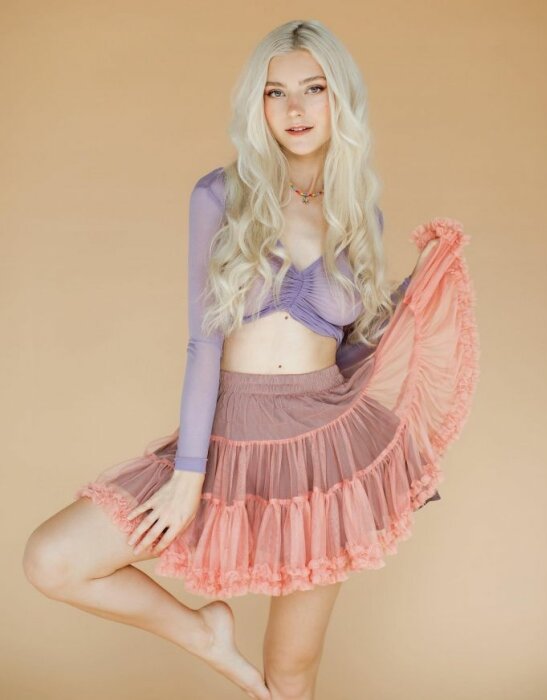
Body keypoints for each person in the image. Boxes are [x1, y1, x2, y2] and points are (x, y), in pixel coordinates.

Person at [22, 19, 480, 700]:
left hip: (322, 448)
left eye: (314, 89)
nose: (295, 108)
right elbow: (203, 341)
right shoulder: (220, 196)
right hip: (226, 437)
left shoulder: (360, 214)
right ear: (257, 105)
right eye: (276, 92)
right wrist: (188, 474)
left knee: (292, 673)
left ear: (340, 98)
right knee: (53, 560)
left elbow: (351, 348)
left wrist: (412, 300)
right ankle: (205, 634)